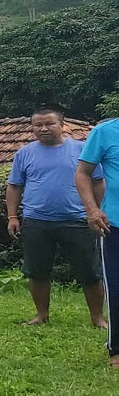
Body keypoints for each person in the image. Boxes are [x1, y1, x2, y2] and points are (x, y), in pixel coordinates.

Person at [6, 107, 106, 327]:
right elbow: (14, 186)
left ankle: (97, 318)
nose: (43, 128)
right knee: (37, 271)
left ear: (63, 125)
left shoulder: (82, 150)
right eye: (37, 125)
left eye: (49, 123)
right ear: (32, 127)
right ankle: (41, 315)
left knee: (90, 272)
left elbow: (98, 182)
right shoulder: (24, 153)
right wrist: (12, 216)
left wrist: (99, 210)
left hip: (78, 219)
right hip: (37, 221)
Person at [76, 116, 119, 369]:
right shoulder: (105, 131)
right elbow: (82, 173)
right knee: (116, 288)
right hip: (115, 224)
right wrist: (92, 210)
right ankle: (116, 350)